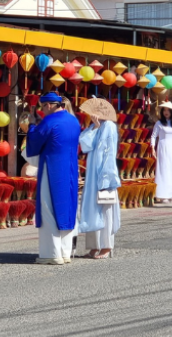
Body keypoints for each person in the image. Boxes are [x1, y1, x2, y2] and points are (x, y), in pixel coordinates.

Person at [25, 92, 81, 265]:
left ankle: (52, 254)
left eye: (43, 107)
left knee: (48, 209)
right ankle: (65, 252)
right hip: (70, 169)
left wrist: (31, 126)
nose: (42, 111)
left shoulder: (49, 121)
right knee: (67, 208)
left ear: (49, 105)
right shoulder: (74, 121)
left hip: (52, 168)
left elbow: (35, 140)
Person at [78, 114, 121, 259]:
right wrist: (95, 127)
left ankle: (106, 245)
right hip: (92, 175)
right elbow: (85, 145)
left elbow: (109, 152)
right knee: (92, 208)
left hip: (104, 173)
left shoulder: (109, 126)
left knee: (105, 210)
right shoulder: (93, 126)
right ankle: (94, 245)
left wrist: (106, 177)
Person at [150, 102, 172, 204]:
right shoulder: (159, 123)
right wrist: (152, 148)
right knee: (163, 169)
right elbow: (153, 136)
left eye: (168, 110)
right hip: (162, 146)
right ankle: (162, 195)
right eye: (164, 110)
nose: (166, 112)